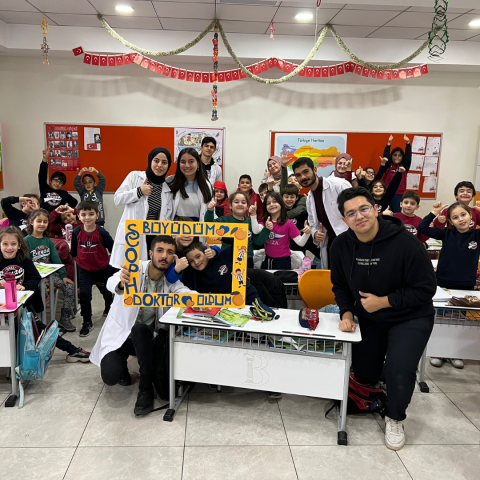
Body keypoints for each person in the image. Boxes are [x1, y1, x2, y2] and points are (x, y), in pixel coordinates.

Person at [331, 186, 436, 451]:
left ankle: (395, 416)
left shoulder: (407, 243)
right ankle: (384, 381)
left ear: (376, 209)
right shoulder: (341, 245)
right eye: (351, 213)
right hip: (370, 317)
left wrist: (384, 301)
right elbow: (340, 286)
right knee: (364, 373)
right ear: (344, 219)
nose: (359, 216)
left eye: (364, 209)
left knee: (399, 369)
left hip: (411, 316)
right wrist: (346, 312)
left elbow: (426, 289)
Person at [91, 235, 194, 416]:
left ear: (174, 258)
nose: (164, 256)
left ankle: (145, 388)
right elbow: (110, 282)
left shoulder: (171, 282)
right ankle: (124, 370)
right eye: (160, 251)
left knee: (141, 330)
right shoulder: (135, 268)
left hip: (147, 338)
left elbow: (185, 292)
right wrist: (121, 283)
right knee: (111, 376)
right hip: (122, 336)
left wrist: (200, 300)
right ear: (151, 253)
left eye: (170, 252)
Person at [0, 226, 90, 363]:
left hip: (22, 307)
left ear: (19, 245)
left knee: (43, 330)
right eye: (5, 244)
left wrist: (25, 286)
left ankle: (73, 350)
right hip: (3, 308)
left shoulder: (24, 260)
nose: (9, 247)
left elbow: (35, 278)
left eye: (13, 244)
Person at [418, 201, 480, 370]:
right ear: (450, 221)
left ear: (471, 216)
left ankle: (455, 353)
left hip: (466, 285)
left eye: (463, 214)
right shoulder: (446, 233)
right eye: (455, 217)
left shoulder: (477, 236)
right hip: (444, 282)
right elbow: (422, 228)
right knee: (442, 318)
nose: (461, 219)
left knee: (459, 320)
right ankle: (438, 351)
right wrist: (434, 212)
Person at [111, 147, 174, 268]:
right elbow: (117, 199)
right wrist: (138, 191)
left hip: (154, 237)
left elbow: (167, 217)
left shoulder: (167, 189)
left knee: (150, 271)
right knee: (130, 272)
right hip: (134, 235)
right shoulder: (135, 177)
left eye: (164, 162)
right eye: (156, 160)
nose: (159, 165)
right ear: (150, 161)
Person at [292, 157, 350, 268]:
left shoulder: (339, 185)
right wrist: (315, 234)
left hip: (349, 241)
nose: (303, 177)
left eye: (306, 172)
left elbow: (356, 210)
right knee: (333, 275)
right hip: (331, 244)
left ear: (315, 170)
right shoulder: (309, 199)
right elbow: (313, 224)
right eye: (298, 175)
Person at [24, 209, 76, 332]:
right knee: (42, 293)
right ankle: (38, 322)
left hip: (51, 275)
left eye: (45, 221)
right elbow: (27, 264)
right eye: (39, 221)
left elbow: (56, 259)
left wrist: (63, 276)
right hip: (36, 277)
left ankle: (64, 318)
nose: (42, 224)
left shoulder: (48, 240)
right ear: (31, 222)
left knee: (69, 287)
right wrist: (41, 278)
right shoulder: (26, 241)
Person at [71, 201, 114, 338]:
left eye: (91, 214)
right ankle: (87, 321)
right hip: (84, 269)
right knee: (85, 295)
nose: (87, 217)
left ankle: (108, 304)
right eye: (83, 214)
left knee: (105, 290)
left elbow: (113, 248)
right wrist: (79, 262)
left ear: (97, 215)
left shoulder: (102, 232)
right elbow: (74, 251)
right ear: (78, 216)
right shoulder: (76, 231)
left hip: (102, 268)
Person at [205, 191, 270, 268]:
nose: (240, 204)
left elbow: (258, 242)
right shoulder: (224, 220)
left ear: (247, 206)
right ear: (230, 206)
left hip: (247, 259)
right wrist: (210, 211)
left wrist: (267, 229)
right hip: (227, 257)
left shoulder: (251, 222)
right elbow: (209, 226)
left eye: (243, 202)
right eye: (236, 202)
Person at [181, 241, 259, 304]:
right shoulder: (196, 275)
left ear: (206, 252)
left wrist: (221, 237)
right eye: (191, 261)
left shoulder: (223, 256)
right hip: (227, 307)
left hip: (248, 297)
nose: (196, 262)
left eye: (198, 256)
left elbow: (240, 242)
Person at [259, 192, 311, 270]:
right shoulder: (264, 221)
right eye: (268, 203)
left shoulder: (289, 223)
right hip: (267, 260)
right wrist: (253, 215)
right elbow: (255, 231)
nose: (272, 205)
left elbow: (301, 243)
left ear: (281, 203)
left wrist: (307, 233)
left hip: (283, 261)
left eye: (275, 201)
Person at [168, 148, 213, 226]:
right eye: (183, 162)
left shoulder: (206, 185)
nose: (187, 165)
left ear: (198, 164)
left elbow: (210, 210)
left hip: (197, 229)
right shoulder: (170, 182)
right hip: (175, 229)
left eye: (191, 161)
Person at [38, 148, 78, 213]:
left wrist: (65, 211)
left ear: (62, 185)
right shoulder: (44, 188)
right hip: (44, 216)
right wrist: (45, 160)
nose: (57, 183)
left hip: (57, 217)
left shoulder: (64, 194)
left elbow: (74, 202)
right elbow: (42, 176)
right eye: (55, 180)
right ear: (51, 181)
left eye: (60, 182)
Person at [380, 135, 411, 213]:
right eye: (395, 155)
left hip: (398, 194)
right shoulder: (388, 166)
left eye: (399, 155)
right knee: (385, 212)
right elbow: (386, 157)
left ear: (402, 157)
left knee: (396, 213)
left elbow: (408, 157)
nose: (397, 157)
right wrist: (388, 144)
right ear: (392, 156)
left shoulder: (404, 167)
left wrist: (408, 144)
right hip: (386, 193)